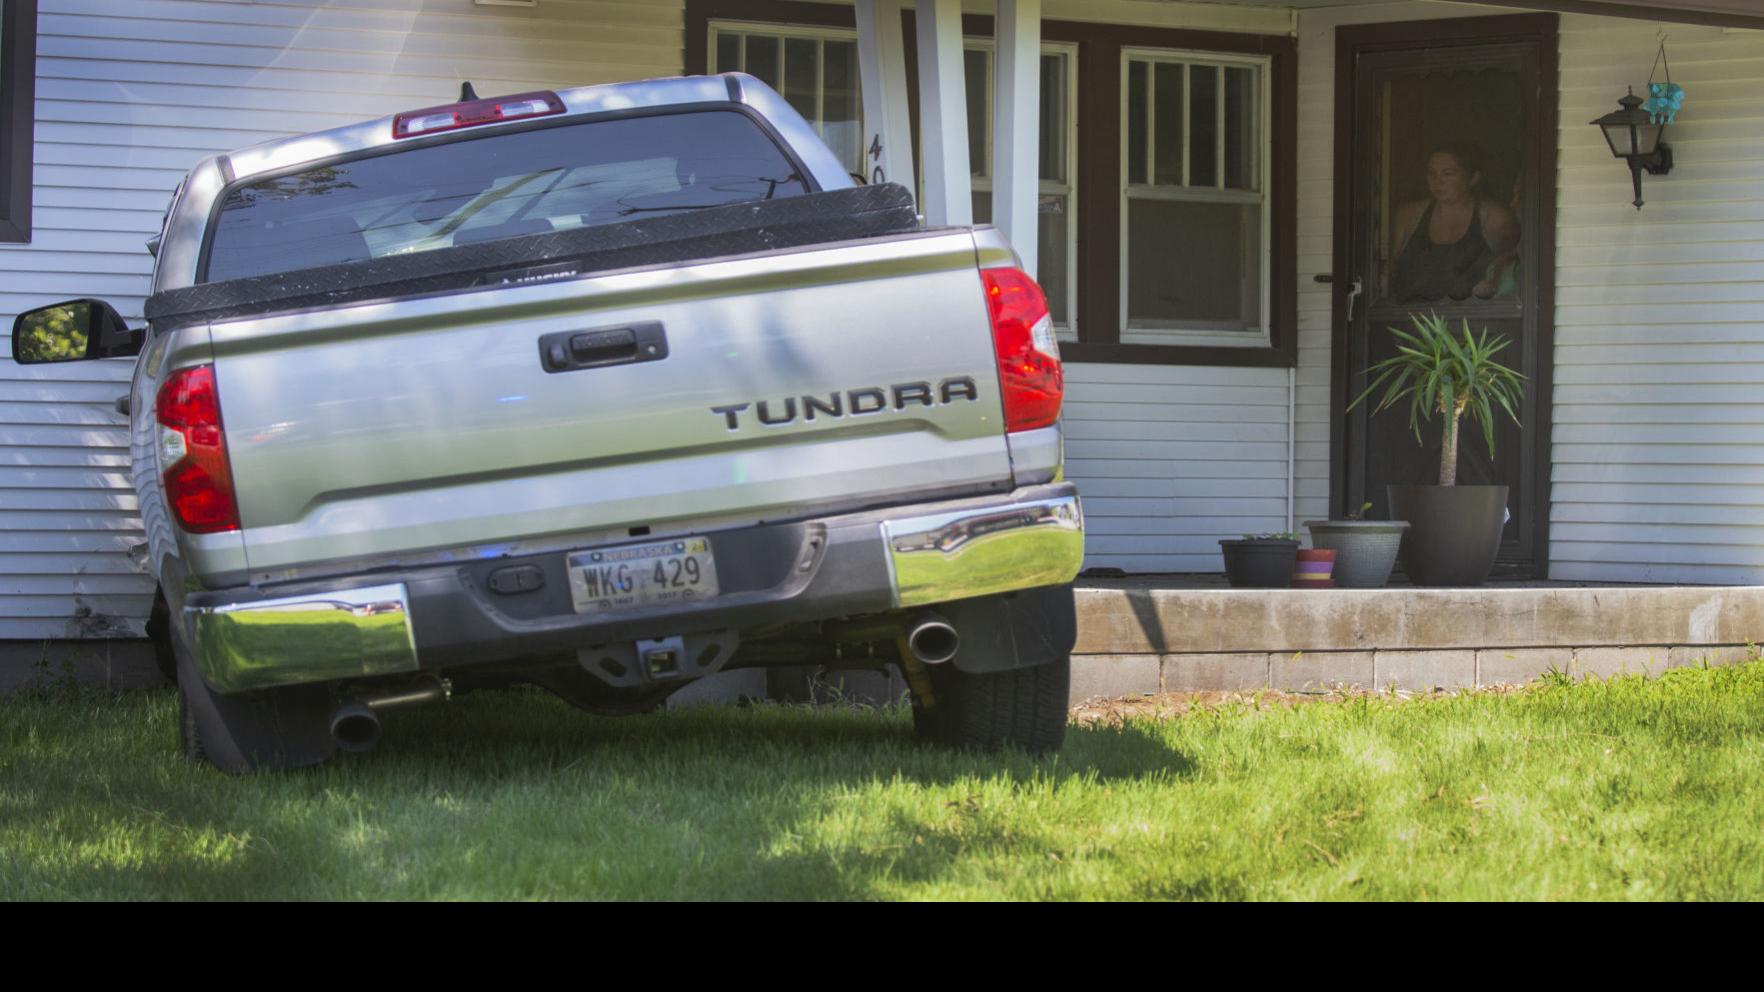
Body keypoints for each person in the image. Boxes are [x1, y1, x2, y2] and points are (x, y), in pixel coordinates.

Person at [1388, 143, 1521, 302]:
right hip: (1411, 313)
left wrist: (1493, 283)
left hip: (1472, 317)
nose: (1438, 181)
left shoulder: (1494, 216)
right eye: (1431, 173)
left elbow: (1510, 263)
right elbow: (1391, 267)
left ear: (1473, 178)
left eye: (1448, 173)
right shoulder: (1409, 215)